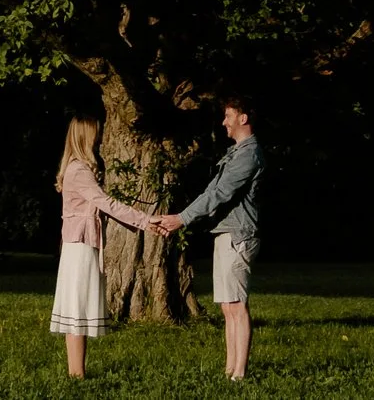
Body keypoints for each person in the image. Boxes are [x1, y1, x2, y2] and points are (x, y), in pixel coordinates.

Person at [151, 94, 263, 381]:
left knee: (237, 305)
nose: (223, 122)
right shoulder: (236, 153)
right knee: (227, 306)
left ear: (243, 118)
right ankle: (230, 370)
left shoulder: (249, 155)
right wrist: (181, 218)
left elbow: (220, 193)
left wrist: (181, 219)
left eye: (228, 116)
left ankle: (240, 373)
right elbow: (210, 192)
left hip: (238, 235)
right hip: (224, 233)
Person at [49, 114, 156, 378]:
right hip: (80, 246)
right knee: (77, 308)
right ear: (86, 136)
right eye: (95, 134)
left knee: (79, 308)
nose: (99, 139)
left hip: (80, 244)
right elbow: (107, 204)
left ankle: (78, 372)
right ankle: (76, 373)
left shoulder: (76, 169)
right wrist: (145, 221)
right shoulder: (79, 171)